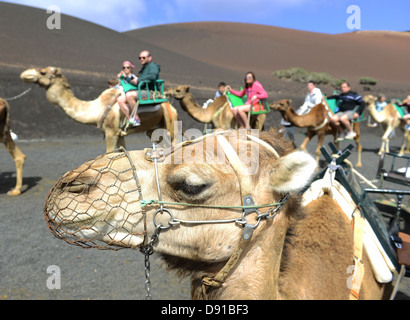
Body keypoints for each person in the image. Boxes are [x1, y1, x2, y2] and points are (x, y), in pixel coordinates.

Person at [117, 51, 161, 127]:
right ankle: (129, 119)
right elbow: (136, 82)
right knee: (120, 99)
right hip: (142, 90)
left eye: (143, 57)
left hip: (151, 91)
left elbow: (153, 76)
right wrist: (126, 78)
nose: (141, 59)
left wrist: (139, 79)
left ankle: (136, 119)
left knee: (129, 95)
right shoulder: (144, 69)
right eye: (140, 58)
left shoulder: (153, 66)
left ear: (149, 58)